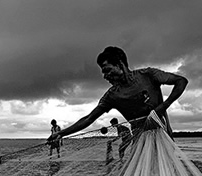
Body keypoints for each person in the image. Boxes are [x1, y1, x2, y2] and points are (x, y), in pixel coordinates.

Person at [48, 46, 188, 146]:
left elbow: (181, 81)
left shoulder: (148, 75)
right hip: (140, 144)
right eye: (103, 73)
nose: (105, 76)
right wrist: (61, 133)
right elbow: (89, 118)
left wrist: (162, 107)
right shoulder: (112, 95)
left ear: (120, 64)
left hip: (165, 139)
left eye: (107, 70)